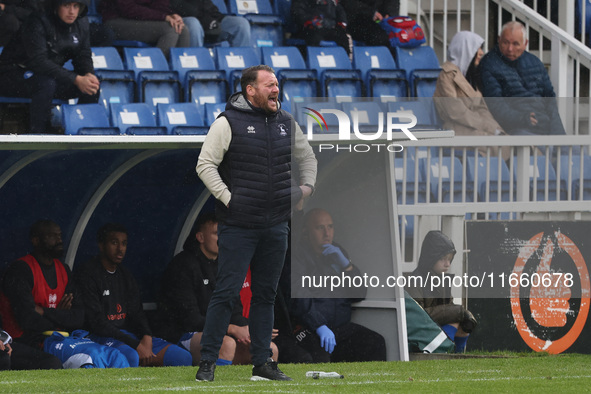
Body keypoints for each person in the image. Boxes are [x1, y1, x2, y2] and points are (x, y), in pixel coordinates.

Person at [194, 64, 317, 381]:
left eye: (277, 84)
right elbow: (205, 164)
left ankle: (263, 363)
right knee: (226, 292)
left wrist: (307, 188)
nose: (276, 89)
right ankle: (208, 361)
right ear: (250, 90)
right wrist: (228, 198)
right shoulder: (227, 122)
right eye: (269, 85)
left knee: (266, 295)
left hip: (276, 225)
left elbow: (308, 157)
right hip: (237, 226)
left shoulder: (286, 122)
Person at [0, 220, 129, 369]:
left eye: (60, 235)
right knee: (90, 359)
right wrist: (61, 317)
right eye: (52, 236)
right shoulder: (21, 270)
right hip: (30, 341)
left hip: (63, 337)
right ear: (35, 240)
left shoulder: (63, 269)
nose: (59, 240)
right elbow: (27, 319)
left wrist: (44, 312)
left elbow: (80, 316)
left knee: (116, 356)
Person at [160, 212, 278, 366]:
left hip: (220, 332)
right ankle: (218, 386)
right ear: (201, 237)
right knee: (225, 343)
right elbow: (190, 320)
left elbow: (235, 311)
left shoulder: (226, 266)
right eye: (217, 233)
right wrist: (232, 329)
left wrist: (250, 329)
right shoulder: (183, 265)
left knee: (269, 348)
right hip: (183, 335)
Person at [75, 223, 192, 368]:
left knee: (181, 357)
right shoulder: (88, 273)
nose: (120, 249)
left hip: (128, 337)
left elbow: (137, 312)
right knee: (131, 356)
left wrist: (146, 336)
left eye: (124, 243)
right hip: (99, 337)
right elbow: (96, 322)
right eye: (114, 242)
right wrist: (136, 345)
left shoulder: (125, 275)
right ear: (101, 245)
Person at [290, 208, 387, 363]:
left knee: (375, 342)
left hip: (338, 328)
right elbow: (298, 297)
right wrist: (318, 325)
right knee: (319, 358)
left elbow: (358, 294)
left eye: (330, 226)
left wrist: (348, 267)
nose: (327, 233)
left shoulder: (337, 252)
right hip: (309, 328)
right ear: (306, 232)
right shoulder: (297, 256)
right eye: (320, 227)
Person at [0, 0, 99, 134]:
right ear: (56, 5)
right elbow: (38, 61)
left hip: (45, 76)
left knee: (92, 86)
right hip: (11, 74)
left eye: (76, 6)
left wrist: (88, 73)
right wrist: (75, 79)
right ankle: (38, 136)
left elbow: (83, 55)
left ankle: (84, 135)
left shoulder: (81, 23)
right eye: (66, 5)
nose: (72, 11)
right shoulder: (37, 20)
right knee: (46, 84)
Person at [479, 21, 566, 137]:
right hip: (515, 129)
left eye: (515, 44)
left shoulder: (535, 62)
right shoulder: (489, 64)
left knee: (576, 152)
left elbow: (550, 99)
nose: (510, 49)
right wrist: (522, 118)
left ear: (525, 43)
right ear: (499, 40)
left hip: (545, 127)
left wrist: (558, 132)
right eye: (505, 43)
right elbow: (496, 106)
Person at [433, 31, 510, 160]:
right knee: (497, 145)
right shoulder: (447, 75)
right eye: (477, 48)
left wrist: (495, 129)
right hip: (456, 129)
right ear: (465, 49)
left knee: (514, 142)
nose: (481, 53)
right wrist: (487, 128)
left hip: (475, 127)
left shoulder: (470, 75)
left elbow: (482, 108)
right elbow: (455, 111)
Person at [406, 230, 477, 353]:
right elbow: (419, 318)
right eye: (443, 259)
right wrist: (458, 312)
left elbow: (448, 308)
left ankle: (458, 356)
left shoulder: (442, 280)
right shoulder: (415, 281)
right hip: (421, 335)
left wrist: (460, 314)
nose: (447, 264)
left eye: (450, 259)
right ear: (431, 258)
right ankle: (444, 352)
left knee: (462, 326)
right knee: (455, 320)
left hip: (433, 327)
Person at [99, 0, 194, 58]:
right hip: (116, 21)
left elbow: (160, 6)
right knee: (170, 30)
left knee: (182, 30)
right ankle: (156, 72)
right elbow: (128, 9)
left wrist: (172, 16)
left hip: (143, 20)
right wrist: (163, 17)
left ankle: (179, 77)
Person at [170, 0, 251, 47]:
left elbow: (209, 8)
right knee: (194, 23)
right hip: (183, 20)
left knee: (240, 24)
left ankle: (243, 71)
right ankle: (196, 66)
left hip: (208, 23)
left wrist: (214, 19)